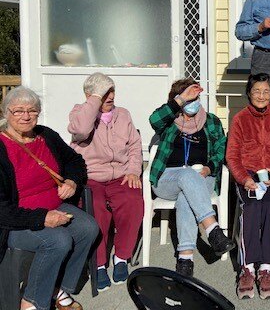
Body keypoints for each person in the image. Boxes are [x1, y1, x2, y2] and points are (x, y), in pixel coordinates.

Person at [0, 86, 99, 310]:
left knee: (88, 228)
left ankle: (60, 289)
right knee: (57, 240)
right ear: (6, 113)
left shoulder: (46, 135)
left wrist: (72, 181)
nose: (26, 116)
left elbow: (75, 161)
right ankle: (32, 302)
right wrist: (42, 218)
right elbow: (2, 210)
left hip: (53, 204)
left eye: (32, 111)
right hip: (16, 220)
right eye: (18, 111)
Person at [148, 78, 235, 277]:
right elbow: (154, 120)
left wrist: (209, 167)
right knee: (187, 174)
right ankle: (213, 229)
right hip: (167, 179)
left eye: (196, 97)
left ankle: (185, 259)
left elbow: (221, 149)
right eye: (189, 98)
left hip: (202, 178)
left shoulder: (211, 121)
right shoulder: (169, 122)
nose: (193, 102)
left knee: (186, 196)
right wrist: (180, 100)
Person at [67, 72, 143, 291]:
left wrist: (133, 170)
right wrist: (94, 101)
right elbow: (81, 131)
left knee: (132, 202)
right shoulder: (79, 113)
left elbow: (134, 146)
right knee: (97, 210)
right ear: (90, 95)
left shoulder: (124, 114)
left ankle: (121, 257)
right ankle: (99, 264)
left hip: (120, 174)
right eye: (104, 92)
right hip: (91, 176)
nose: (110, 96)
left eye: (112, 91)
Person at [226, 74, 270, 300]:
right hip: (248, 174)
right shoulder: (240, 119)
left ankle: (265, 267)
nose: (261, 96)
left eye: (266, 91)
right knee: (253, 204)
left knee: (269, 205)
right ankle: (247, 267)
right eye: (257, 91)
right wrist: (243, 178)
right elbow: (232, 155)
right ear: (249, 92)